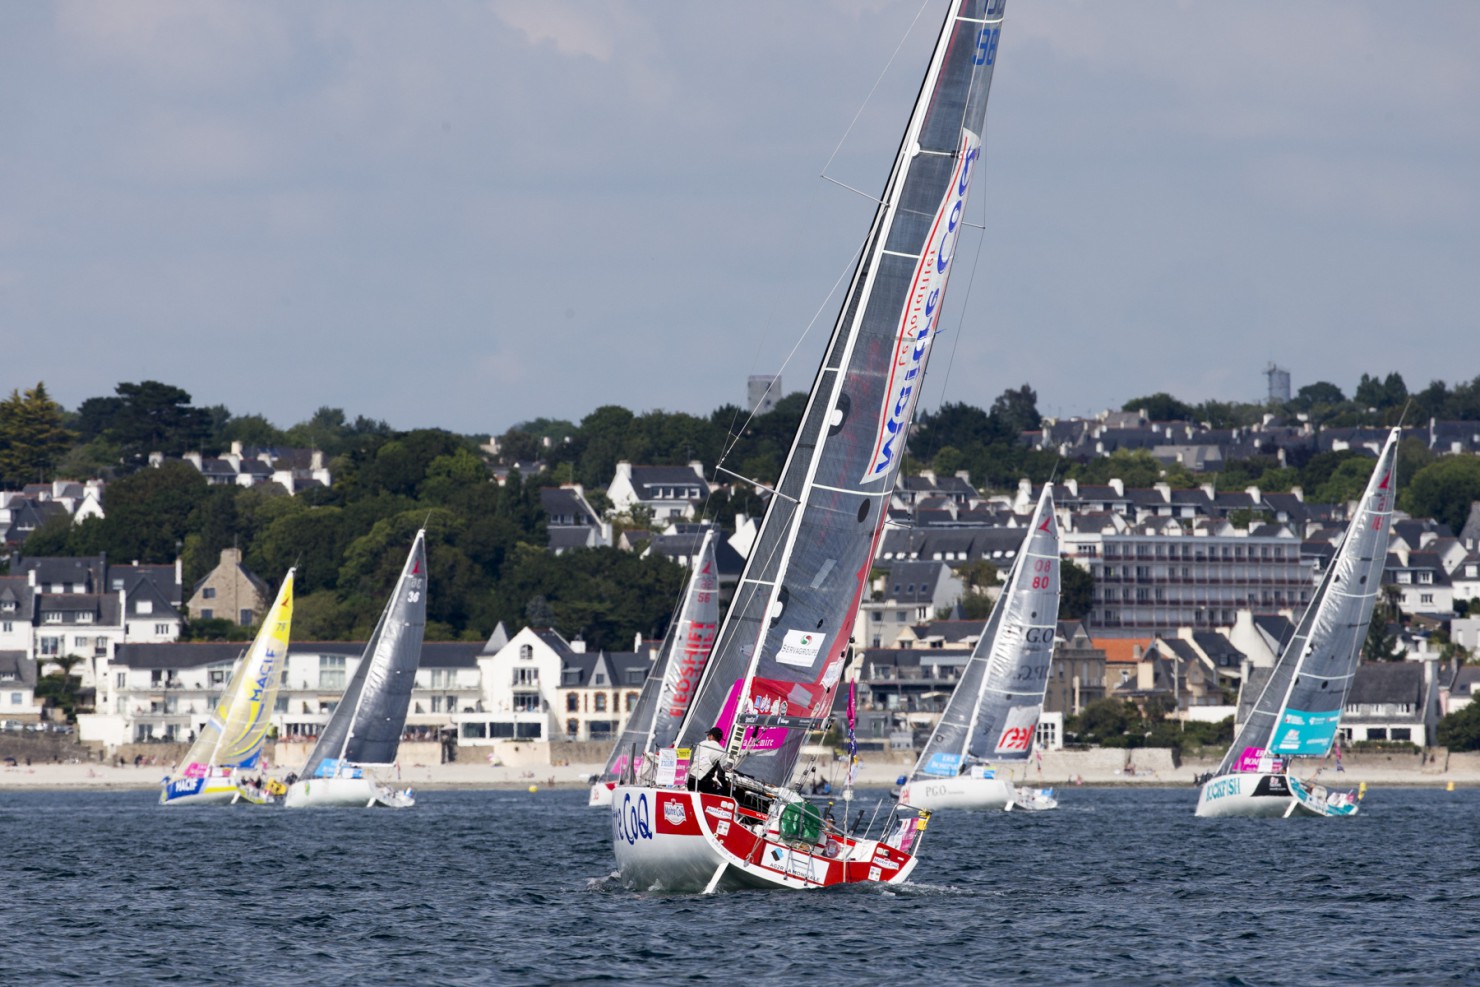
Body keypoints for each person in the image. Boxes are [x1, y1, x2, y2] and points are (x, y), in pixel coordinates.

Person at [687, 727, 731, 795]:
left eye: (708, 735)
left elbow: (695, 761)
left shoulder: (701, 744)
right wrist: (727, 786)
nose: (707, 736)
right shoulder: (722, 751)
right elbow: (720, 776)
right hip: (702, 783)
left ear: (711, 736)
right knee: (721, 791)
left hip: (690, 779)